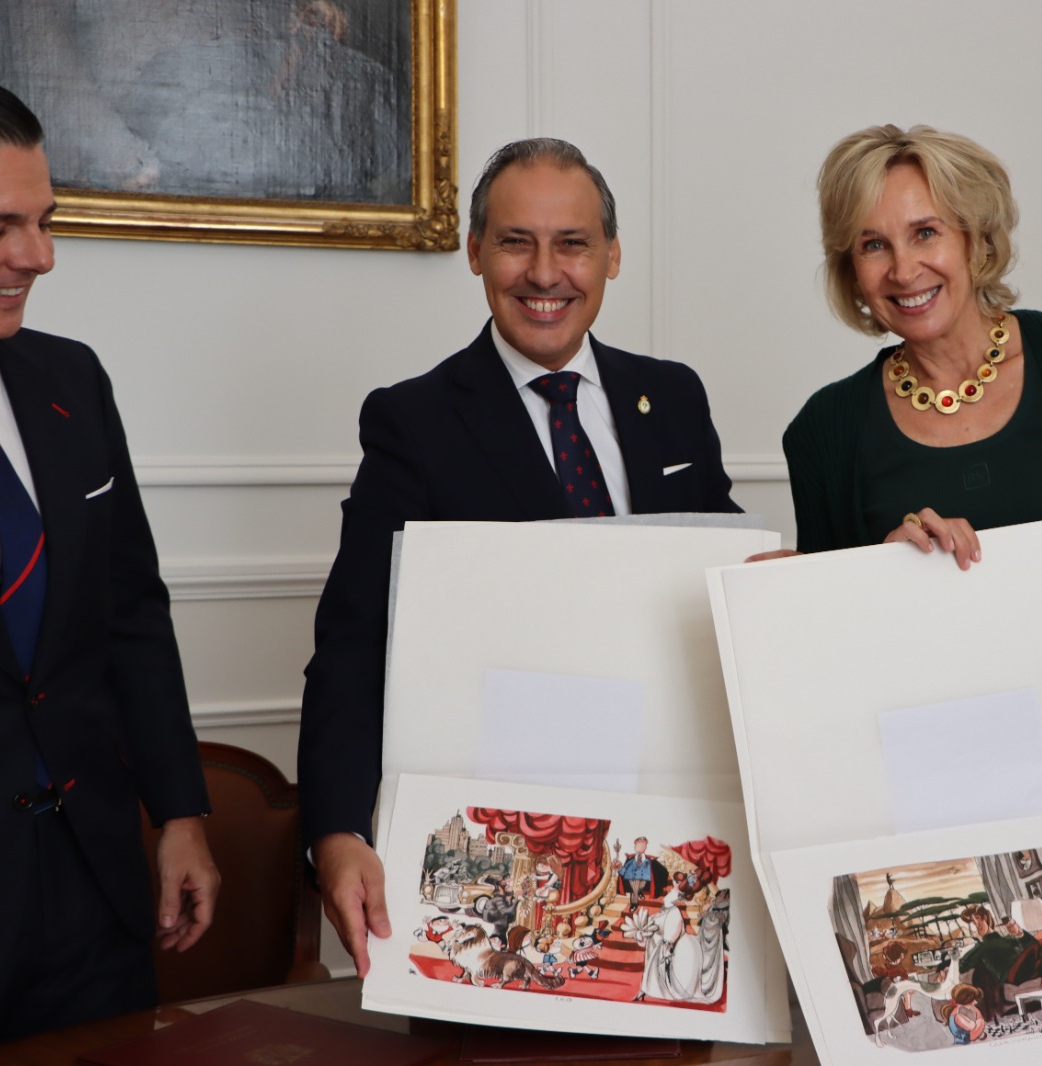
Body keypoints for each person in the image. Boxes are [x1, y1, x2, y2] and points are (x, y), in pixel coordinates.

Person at [299, 137, 740, 978]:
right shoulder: (413, 422)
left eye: (572, 243)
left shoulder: (675, 399)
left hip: (665, 806)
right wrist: (336, 832)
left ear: (612, 256)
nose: (545, 273)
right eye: (515, 242)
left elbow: (722, 584)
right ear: (475, 252)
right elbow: (354, 644)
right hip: (502, 826)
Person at [780, 124, 1042, 845]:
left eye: (925, 233)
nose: (903, 269)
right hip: (909, 803)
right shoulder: (823, 431)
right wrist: (880, 572)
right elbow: (834, 664)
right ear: (851, 269)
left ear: (975, 236)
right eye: (873, 245)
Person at [0, 81, 219, 1041]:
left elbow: (132, 614)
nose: (38, 256)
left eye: (44, 221)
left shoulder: (70, 379)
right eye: (0, 227)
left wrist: (180, 814)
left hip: (94, 890)